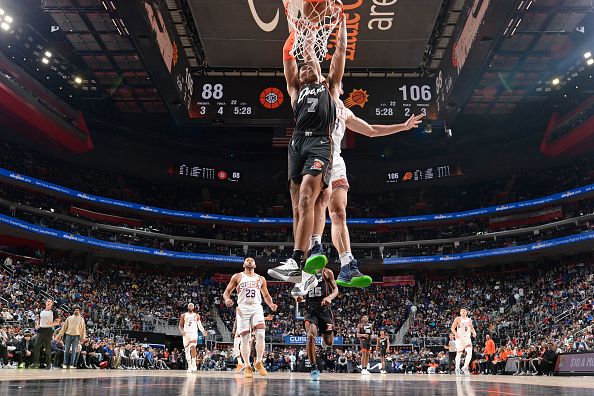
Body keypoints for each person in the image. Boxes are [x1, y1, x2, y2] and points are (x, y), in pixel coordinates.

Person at [310, 91, 423, 289]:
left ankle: (347, 265)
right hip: (315, 158)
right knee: (317, 205)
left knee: (339, 213)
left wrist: (403, 127)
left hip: (336, 162)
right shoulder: (314, 100)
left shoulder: (344, 111)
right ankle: (314, 247)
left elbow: (371, 131)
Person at [268, 13, 348, 292]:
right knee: (296, 205)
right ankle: (298, 261)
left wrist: (342, 24)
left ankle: (298, 257)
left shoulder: (331, 87)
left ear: (318, 71)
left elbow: (339, 52)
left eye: (308, 66)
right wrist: (297, 31)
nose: (303, 68)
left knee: (307, 197)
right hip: (297, 143)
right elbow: (288, 53)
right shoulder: (294, 90)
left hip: (320, 145)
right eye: (300, 68)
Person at [223, 257, 277, 378]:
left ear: (255, 265)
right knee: (245, 338)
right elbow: (226, 292)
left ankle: (258, 362)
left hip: (257, 307)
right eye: (247, 259)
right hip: (243, 308)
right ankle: (247, 366)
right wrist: (227, 299)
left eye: (251, 260)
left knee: (261, 334)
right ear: (244, 265)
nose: (249, 260)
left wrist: (271, 304)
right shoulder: (237, 276)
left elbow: (266, 295)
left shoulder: (261, 278)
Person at [294, 267, 338, 381]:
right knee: (310, 336)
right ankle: (314, 368)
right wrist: (297, 297)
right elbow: (295, 290)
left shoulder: (327, 272)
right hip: (310, 310)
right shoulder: (304, 273)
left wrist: (329, 297)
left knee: (329, 342)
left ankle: (324, 337)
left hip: (324, 310)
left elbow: (336, 290)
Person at [31, 299, 61, 369]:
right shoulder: (41, 311)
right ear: (45, 303)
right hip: (40, 329)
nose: (48, 302)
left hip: (48, 330)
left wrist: (52, 323)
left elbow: (58, 322)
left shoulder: (54, 312)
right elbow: (38, 319)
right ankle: (36, 363)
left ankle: (48, 364)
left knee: (47, 347)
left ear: (52, 304)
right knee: (36, 345)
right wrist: (37, 325)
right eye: (47, 301)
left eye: (50, 302)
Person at [178, 302, 207, 373]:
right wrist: (181, 331)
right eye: (189, 306)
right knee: (187, 351)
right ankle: (189, 365)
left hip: (194, 333)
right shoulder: (183, 315)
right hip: (186, 334)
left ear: (193, 308)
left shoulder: (196, 315)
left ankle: (194, 362)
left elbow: (199, 324)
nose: (191, 307)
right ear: (188, 307)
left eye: (192, 306)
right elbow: (180, 325)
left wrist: (203, 331)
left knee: (193, 347)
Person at [451, 308, 476, 375]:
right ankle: (457, 368)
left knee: (470, 352)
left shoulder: (469, 320)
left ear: (467, 312)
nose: (463, 312)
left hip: (467, 338)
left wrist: (474, 332)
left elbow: (471, 327)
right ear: (460, 313)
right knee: (459, 353)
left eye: (464, 311)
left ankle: (464, 367)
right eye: (462, 311)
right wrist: (455, 334)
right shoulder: (458, 319)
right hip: (460, 338)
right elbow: (452, 328)